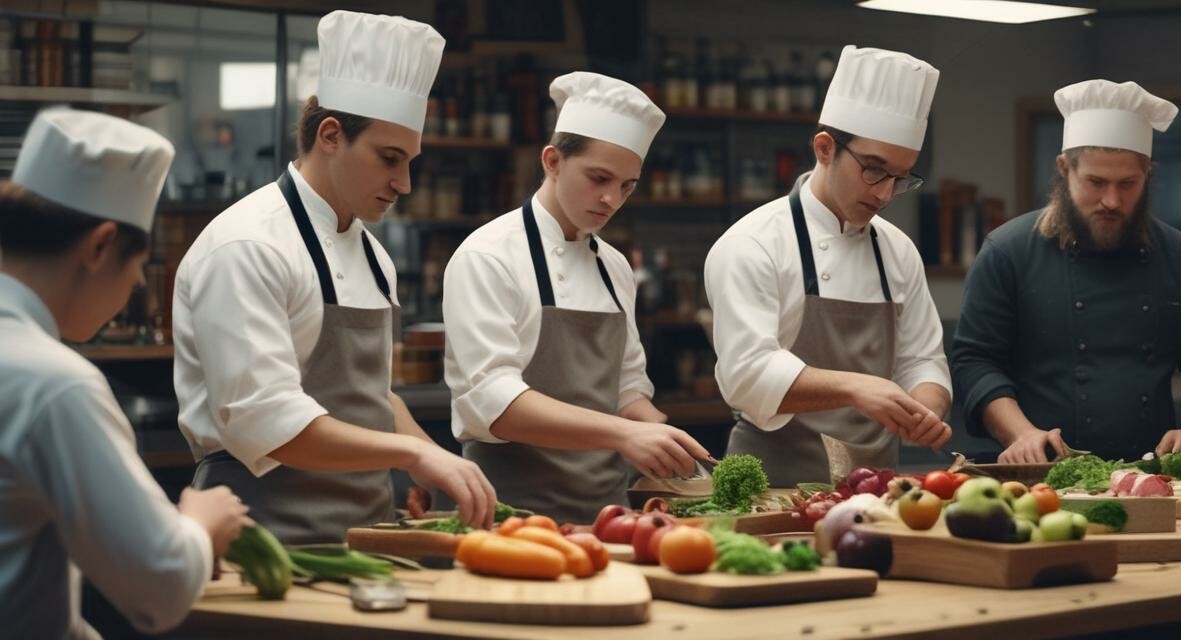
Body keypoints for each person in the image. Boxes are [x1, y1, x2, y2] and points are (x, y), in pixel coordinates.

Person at [174, 10, 495, 543]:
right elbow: (268, 423)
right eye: (389, 158)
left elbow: (369, 395)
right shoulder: (248, 246)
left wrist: (429, 460)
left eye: (410, 161)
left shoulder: (373, 254)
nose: (405, 183)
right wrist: (412, 452)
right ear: (330, 135)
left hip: (365, 532)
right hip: (267, 535)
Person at [0, 108, 251, 638]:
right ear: (99, 247)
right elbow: (158, 586)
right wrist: (201, 523)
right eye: (138, 268)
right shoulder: (56, 385)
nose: (135, 286)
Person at [442, 71, 711, 524]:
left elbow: (627, 387)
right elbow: (494, 402)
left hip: (609, 518)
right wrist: (624, 435)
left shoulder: (614, 266)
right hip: (514, 520)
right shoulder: (487, 256)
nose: (611, 199)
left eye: (627, 186)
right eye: (599, 177)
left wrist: (665, 439)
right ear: (552, 161)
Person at [950, 79, 1181, 464]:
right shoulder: (1008, 252)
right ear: (1064, 169)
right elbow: (975, 362)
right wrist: (1021, 435)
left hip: (1149, 474)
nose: (1111, 200)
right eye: (1095, 182)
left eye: (1128, 184)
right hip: (1039, 474)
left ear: (1148, 175)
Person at [703, 45, 953, 487]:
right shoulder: (753, 244)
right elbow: (747, 374)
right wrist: (858, 387)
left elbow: (921, 358)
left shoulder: (898, 250)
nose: (885, 195)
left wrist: (926, 408)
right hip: (772, 495)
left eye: (902, 177)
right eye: (874, 170)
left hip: (879, 496)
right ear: (824, 148)